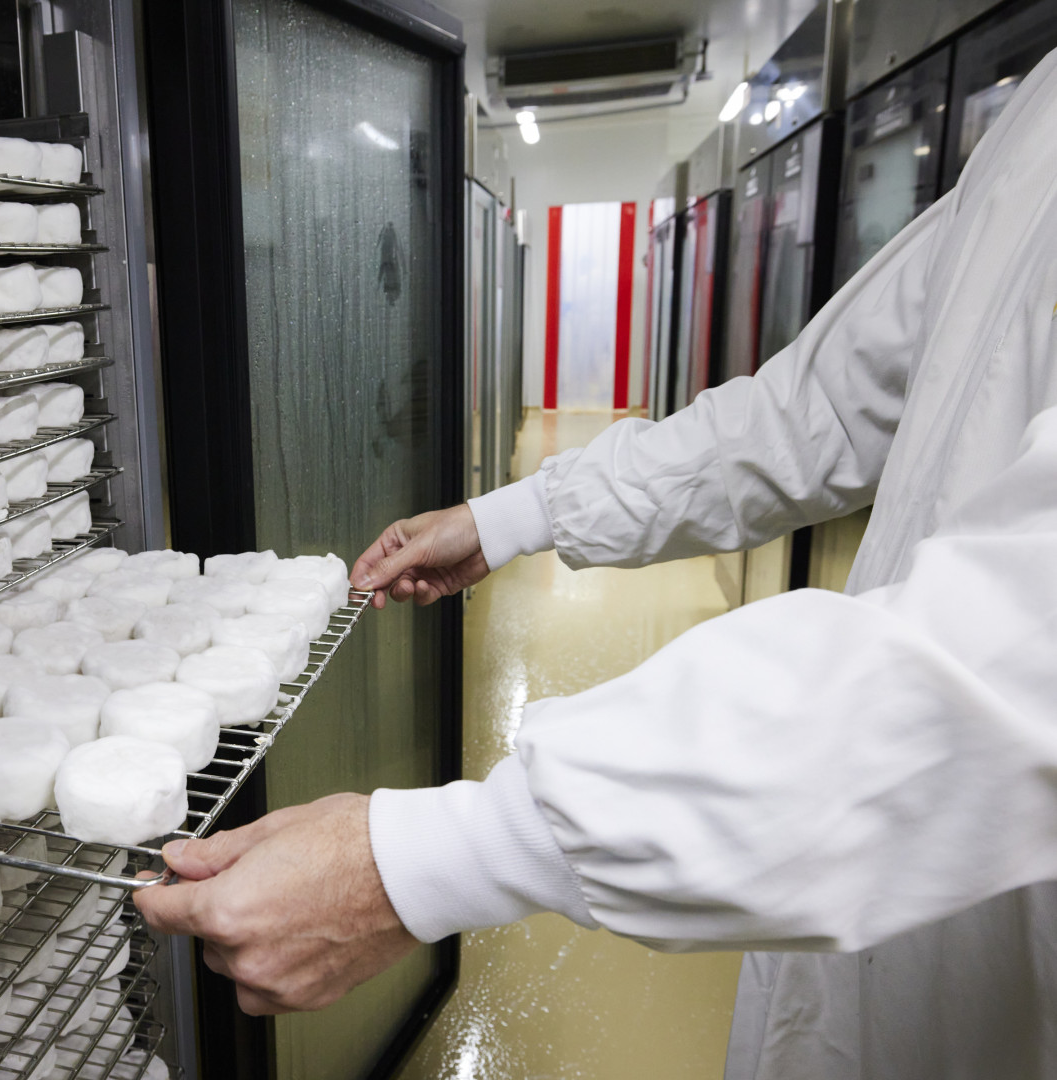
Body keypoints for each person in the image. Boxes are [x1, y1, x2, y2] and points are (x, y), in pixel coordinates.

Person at [134, 50, 1057, 1080]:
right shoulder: (1039, 120)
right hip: (881, 946)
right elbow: (816, 412)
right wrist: (510, 515)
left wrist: (437, 861)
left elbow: (1013, 665)